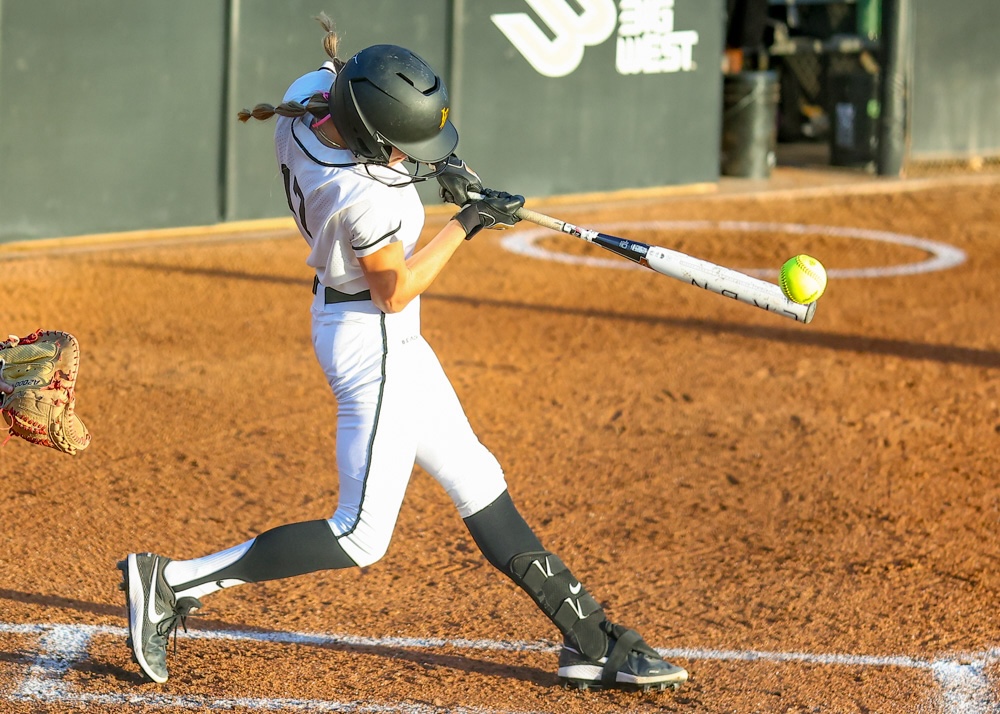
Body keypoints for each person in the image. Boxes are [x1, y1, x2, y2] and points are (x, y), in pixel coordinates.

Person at [118, 13, 688, 693]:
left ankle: (590, 639)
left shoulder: (309, 101)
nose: (408, 158)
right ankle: (173, 582)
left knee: (476, 476)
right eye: (402, 148)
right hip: (374, 339)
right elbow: (395, 290)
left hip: (364, 325)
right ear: (371, 138)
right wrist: (468, 222)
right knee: (360, 535)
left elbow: (357, 97)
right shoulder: (365, 197)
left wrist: (444, 166)